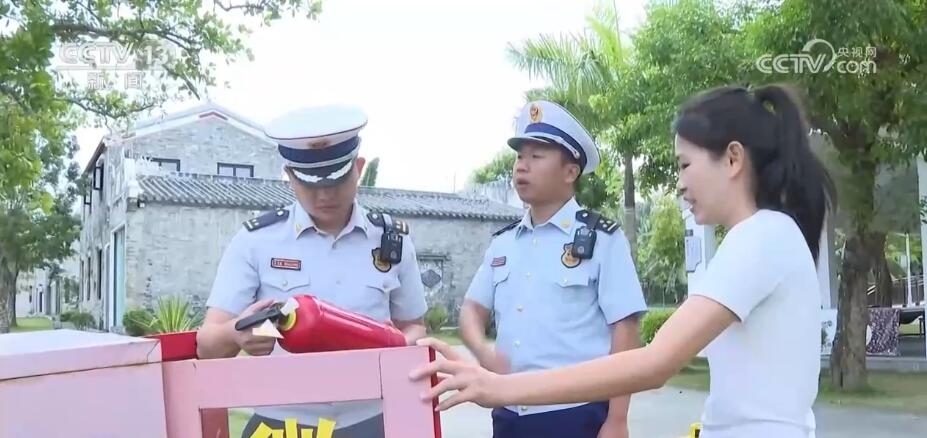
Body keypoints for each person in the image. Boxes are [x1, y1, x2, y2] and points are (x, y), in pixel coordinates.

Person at [410, 83, 836, 438]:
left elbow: (654, 362)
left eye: (685, 164)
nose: (680, 183)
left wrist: (499, 388)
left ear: (733, 158)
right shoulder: (762, 236)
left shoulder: (762, 237)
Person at [195, 104, 428, 438]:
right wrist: (237, 333)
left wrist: (399, 343)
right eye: (310, 183)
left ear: (358, 168)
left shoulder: (392, 240)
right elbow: (207, 345)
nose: (325, 194)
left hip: (371, 419)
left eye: (337, 179)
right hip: (283, 423)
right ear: (290, 176)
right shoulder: (256, 241)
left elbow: (414, 327)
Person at [457, 100, 648, 438]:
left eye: (536, 156)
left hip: (575, 414)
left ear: (570, 172)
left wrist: (617, 418)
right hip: (508, 414)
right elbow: (471, 309)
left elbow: (625, 329)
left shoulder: (603, 239)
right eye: (519, 157)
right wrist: (483, 350)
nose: (522, 166)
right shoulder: (503, 243)